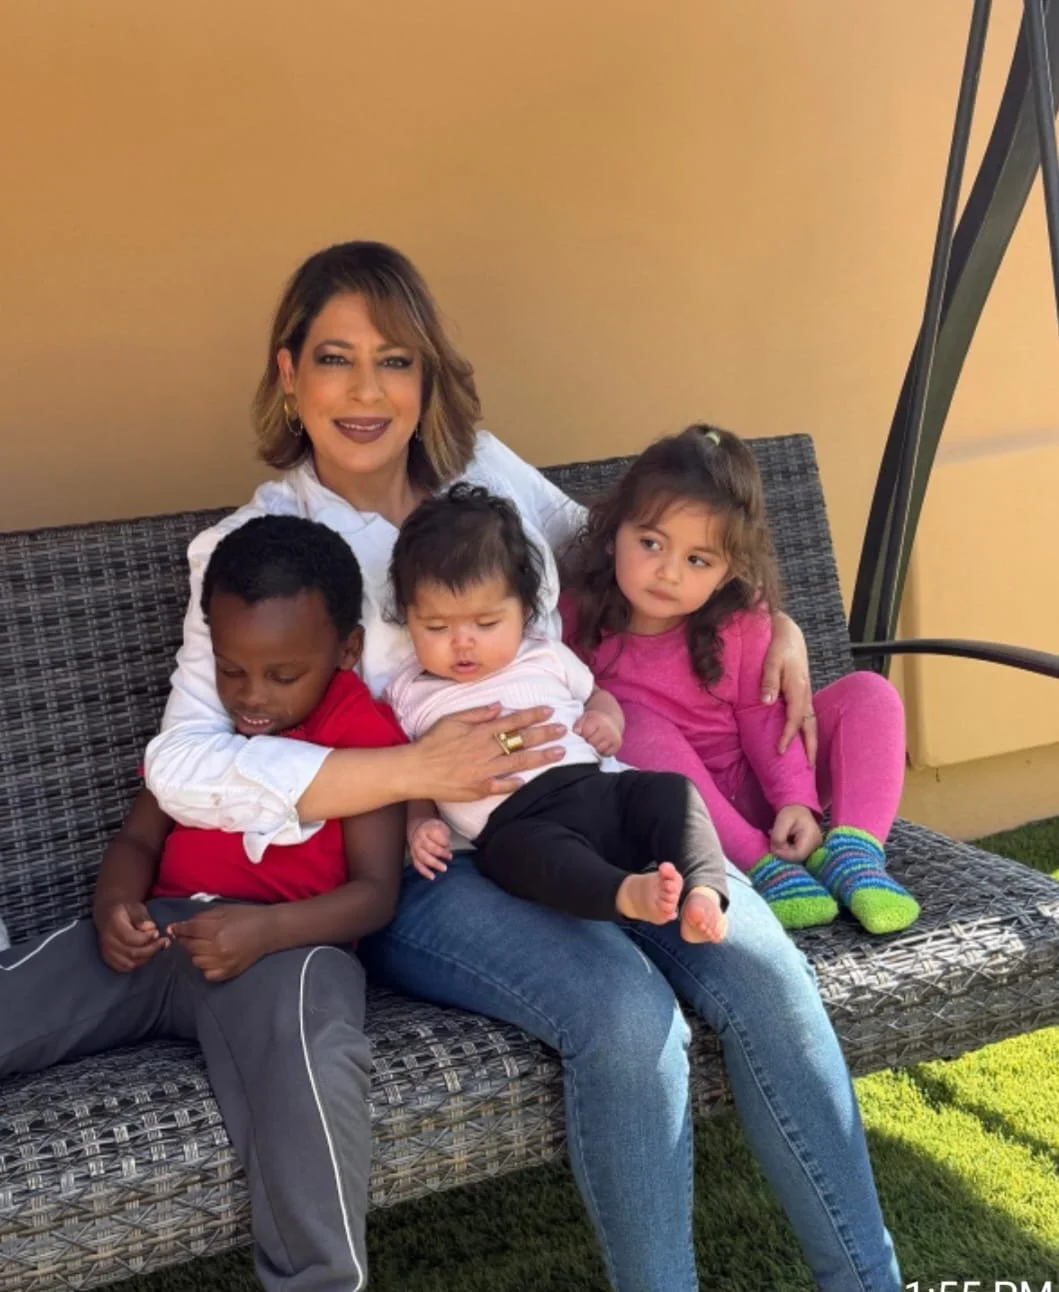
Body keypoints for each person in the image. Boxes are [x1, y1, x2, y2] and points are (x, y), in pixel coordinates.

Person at [144, 240, 903, 1291]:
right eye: (335, 358)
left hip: (593, 806)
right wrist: (411, 769)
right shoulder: (259, 544)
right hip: (428, 865)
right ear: (287, 374)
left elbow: (625, 555)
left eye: (396, 360)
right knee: (626, 1013)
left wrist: (764, 618)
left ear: (429, 373)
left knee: (765, 974)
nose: (367, 391)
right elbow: (183, 761)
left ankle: (869, 1279)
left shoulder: (483, 470)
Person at [0, 515, 408, 1292]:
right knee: (20, 989)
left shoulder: (366, 738)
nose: (251, 698)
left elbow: (373, 895)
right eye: (231, 670)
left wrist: (267, 930)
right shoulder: (209, 731)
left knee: (312, 1062)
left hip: (289, 951)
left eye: (282, 675)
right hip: (159, 936)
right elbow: (137, 840)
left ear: (347, 650)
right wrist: (113, 903)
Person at [562, 425, 919, 937]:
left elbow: (764, 713)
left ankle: (855, 851)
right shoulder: (575, 618)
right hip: (679, 816)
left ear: (728, 570)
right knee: (628, 720)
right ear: (613, 530)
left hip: (761, 782)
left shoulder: (740, 622)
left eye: (696, 560)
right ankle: (761, 868)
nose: (668, 572)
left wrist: (795, 799)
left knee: (871, 694)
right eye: (650, 543)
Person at [386, 483, 729, 941]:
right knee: (524, 857)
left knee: (670, 793)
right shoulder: (411, 692)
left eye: (486, 624)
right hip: (517, 823)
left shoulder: (543, 655)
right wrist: (420, 821)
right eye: (436, 626)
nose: (462, 642)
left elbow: (597, 696)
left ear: (524, 610)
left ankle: (704, 891)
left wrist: (608, 720)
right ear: (408, 619)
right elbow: (415, 773)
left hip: (596, 787)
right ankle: (626, 893)